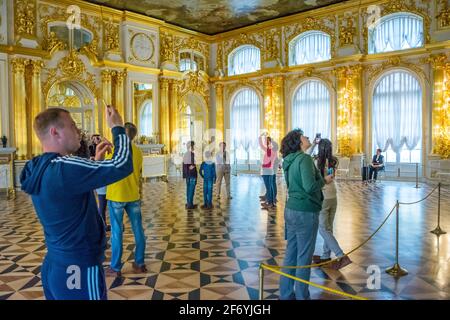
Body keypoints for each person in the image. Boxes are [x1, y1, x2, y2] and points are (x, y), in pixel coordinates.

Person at [20, 105, 132, 300]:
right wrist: (117, 127)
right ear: (55, 132)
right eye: (72, 126)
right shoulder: (65, 167)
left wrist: (95, 164)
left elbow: (68, 192)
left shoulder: (37, 166)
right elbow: (122, 165)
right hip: (78, 268)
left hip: (55, 265)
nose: (78, 131)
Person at [279, 129, 333, 300]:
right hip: (305, 211)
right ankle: (303, 296)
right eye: (304, 136)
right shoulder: (304, 159)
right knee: (303, 257)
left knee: (291, 254)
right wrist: (324, 180)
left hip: (291, 210)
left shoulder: (289, 160)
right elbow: (309, 187)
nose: (308, 137)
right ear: (298, 142)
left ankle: (286, 294)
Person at [105, 122, 147, 277]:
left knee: (117, 231)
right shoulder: (138, 152)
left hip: (116, 195)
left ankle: (115, 267)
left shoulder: (116, 151)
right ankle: (139, 263)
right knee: (138, 229)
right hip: (133, 195)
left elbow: (106, 167)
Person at [313, 139, 352, 270]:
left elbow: (320, 180)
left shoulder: (315, 161)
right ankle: (325, 255)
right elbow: (331, 178)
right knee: (328, 228)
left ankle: (341, 255)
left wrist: (313, 144)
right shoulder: (334, 160)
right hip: (333, 196)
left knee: (323, 229)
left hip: (323, 197)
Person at [259, 133, 277, 210]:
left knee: (269, 187)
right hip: (268, 171)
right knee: (270, 187)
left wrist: (262, 166)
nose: (267, 144)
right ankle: (271, 202)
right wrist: (262, 136)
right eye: (267, 142)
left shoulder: (272, 152)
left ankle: (270, 203)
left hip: (268, 171)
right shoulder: (268, 150)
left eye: (269, 143)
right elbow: (261, 144)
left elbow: (269, 164)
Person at [183, 141, 198, 209]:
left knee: (188, 189)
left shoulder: (185, 154)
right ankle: (190, 205)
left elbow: (185, 166)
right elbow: (191, 165)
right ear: (191, 146)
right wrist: (194, 166)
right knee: (191, 190)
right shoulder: (191, 154)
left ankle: (189, 203)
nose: (194, 147)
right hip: (192, 175)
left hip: (187, 175)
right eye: (194, 145)